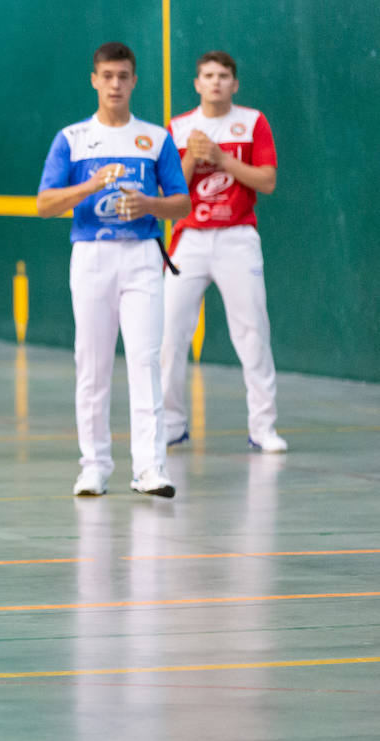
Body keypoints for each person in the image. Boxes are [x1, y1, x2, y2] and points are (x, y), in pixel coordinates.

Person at [36, 41, 190, 497]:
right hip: (91, 258)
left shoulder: (156, 139)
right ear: (94, 80)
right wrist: (90, 184)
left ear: (134, 80)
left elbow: (181, 202)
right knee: (93, 364)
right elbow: (45, 203)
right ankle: (94, 467)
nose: (116, 84)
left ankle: (150, 468)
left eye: (124, 76)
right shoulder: (72, 139)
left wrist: (151, 203)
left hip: (143, 256)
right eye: (108, 76)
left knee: (145, 361)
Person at [162, 51, 285, 453]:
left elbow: (266, 182)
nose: (216, 82)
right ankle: (172, 424)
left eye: (224, 75)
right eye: (208, 75)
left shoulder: (252, 123)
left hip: (237, 238)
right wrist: (193, 161)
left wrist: (222, 158)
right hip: (190, 240)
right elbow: (170, 195)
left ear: (235, 83)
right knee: (169, 335)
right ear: (196, 83)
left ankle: (263, 427)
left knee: (253, 333)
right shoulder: (178, 128)